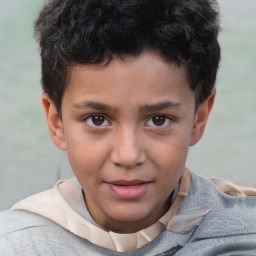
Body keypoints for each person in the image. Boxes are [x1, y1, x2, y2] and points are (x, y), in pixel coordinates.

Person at [1, 0, 256, 255]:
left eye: (158, 120)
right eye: (97, 119)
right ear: (57, 123)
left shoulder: (245, 232)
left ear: (199, 118)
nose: (128, 155)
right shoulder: (17, 244)